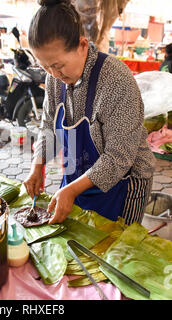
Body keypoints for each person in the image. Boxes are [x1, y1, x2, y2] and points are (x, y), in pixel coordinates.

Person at [23, 0, 155, 226]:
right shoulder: (55, 79)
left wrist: (71, 190)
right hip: (77, 176)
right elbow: (48, 128)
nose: (54, 74)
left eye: (59, 65)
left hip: (124, 184)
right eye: (45, 67)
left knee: (116, 249)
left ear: (83, 45)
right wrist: (37, 166)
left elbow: (119, 157)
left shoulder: (115, 80)